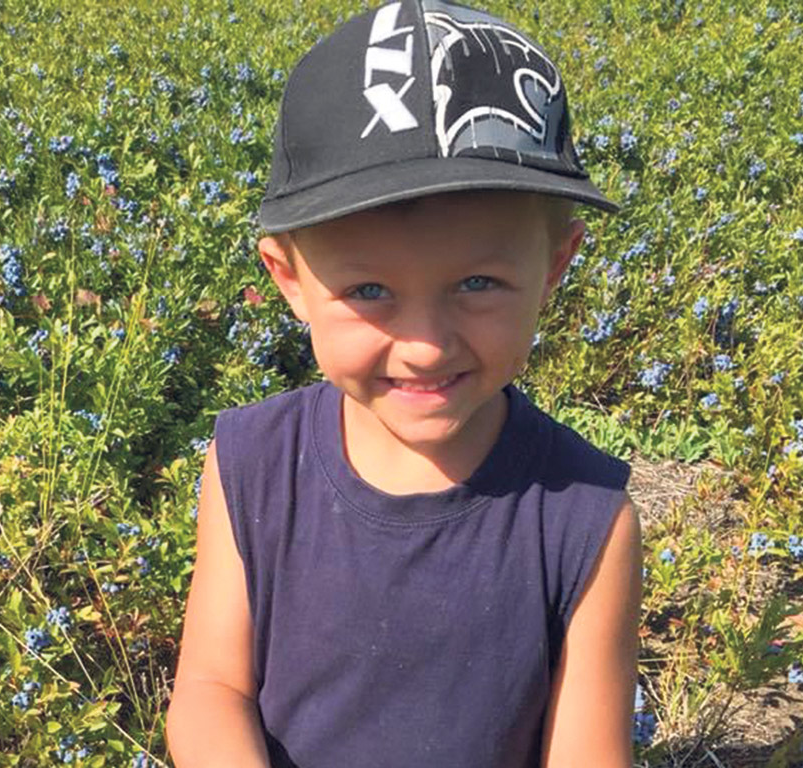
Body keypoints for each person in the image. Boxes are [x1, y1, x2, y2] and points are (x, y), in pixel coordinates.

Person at [165, 2, 644, 767]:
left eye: (478, 282)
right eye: (370, 292)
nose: (424, 347)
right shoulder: (249, 462)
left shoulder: (587, 520)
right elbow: (211, 689)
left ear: (555, 264)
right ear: (288, 279)